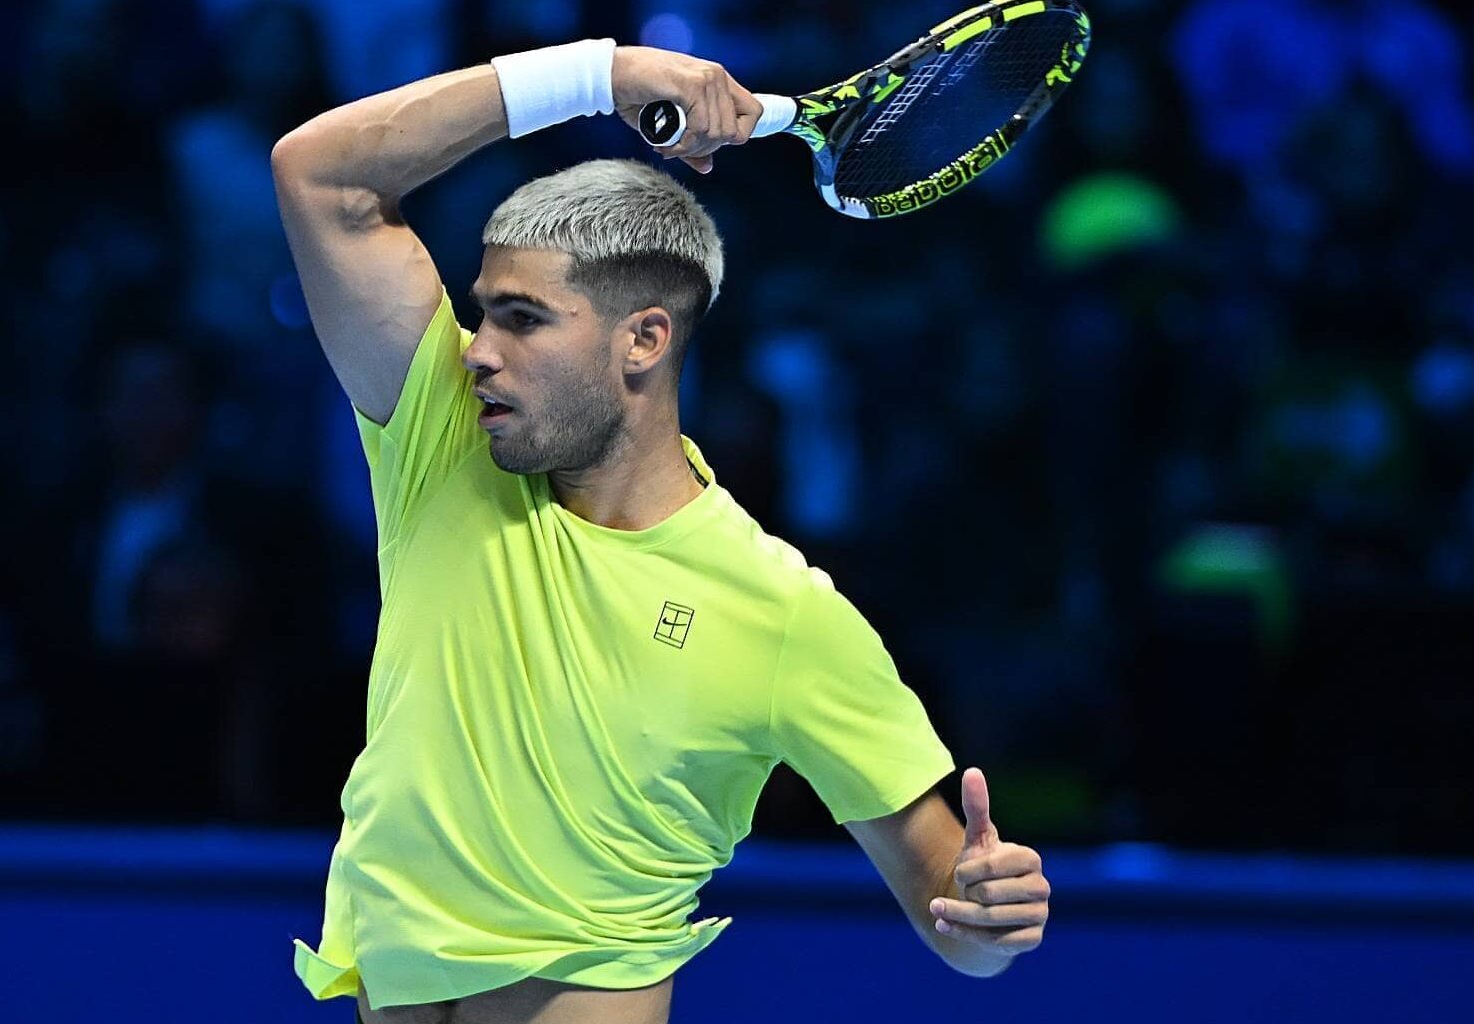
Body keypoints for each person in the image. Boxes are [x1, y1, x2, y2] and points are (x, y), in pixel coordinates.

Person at [272, 38, 1052, 1023]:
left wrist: (987, 914)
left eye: (523, 319)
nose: (476, 352)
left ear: (644, 338)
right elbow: (321, 174)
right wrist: (597, 78)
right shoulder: (443, 442)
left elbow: (950, 908)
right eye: (482, 315)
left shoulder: (780, 611)